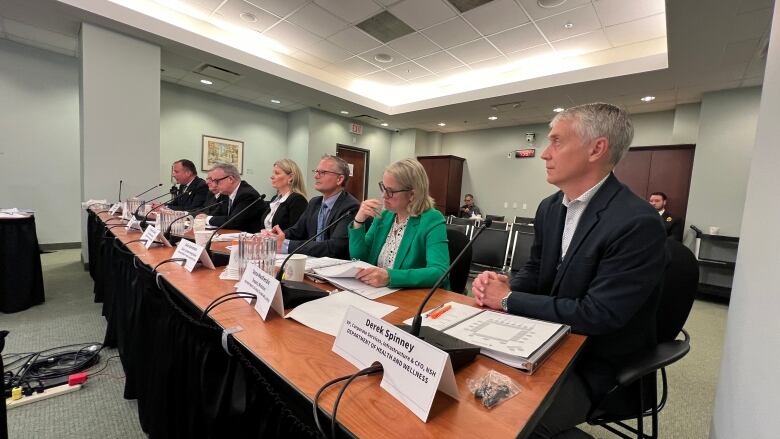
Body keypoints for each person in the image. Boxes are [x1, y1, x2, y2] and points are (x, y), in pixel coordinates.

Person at [471, 103, 666, 439]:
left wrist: (508, 300)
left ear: (597, 149)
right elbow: (536, 269)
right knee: (467, 395)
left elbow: (598, 314)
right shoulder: (550, 207)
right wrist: (506, 285)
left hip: (594, 365)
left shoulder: (637, 222)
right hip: (541, 342)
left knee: (498, 424)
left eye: (557, 142)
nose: (545, 154)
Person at [349, 159, 449, 288]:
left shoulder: (432, 219)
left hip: (410, 297)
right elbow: (359, 259)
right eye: (383, 188)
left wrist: (390, 277)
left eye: (390, 191)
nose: (384, 195)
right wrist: (358, 221)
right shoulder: (384, 216)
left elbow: (439, 272)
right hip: (374, 293)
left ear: (412, 194)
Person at [267, 155, 359, 258]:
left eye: (322, 172)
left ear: (339, 179)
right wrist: (273, 237)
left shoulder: (351, 207)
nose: (316, 176)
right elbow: (297, 231)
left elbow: (335, 247)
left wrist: (286, 245)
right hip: (312, 263)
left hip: (334, 268)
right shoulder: (314, 202)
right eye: (316, 171)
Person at [198, 163, 266, 232]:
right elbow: (219, 215)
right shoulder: (226, 193)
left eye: (217, 181)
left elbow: (233, 221)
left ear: (230, 179)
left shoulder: (247, 195)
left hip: (248, 238)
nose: (215, 185)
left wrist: (207, 219)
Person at [263, 159, 308, 231]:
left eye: (277, 173)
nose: (272, 177)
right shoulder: (275, 198)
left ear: (290, 177)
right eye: (273, 173)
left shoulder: (297, 200)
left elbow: (296, 232)